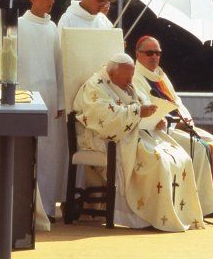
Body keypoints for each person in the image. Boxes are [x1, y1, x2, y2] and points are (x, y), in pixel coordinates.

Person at [73, 53, 204, 231]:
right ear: (112, 74)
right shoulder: (94, 87)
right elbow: (104, 118)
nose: (129, 82)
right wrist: (138, 113)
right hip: (105, 138)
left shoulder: (125, 82)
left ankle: (171, 214)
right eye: (126, 78)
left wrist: (156, 119)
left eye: (131, 78)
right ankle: (148, 216)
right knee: (158, 160)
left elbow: (143, 105)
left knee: (180, 156)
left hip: (136, 134)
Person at [132, 36, 213, 215]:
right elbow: (147, 105)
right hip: (162, 129)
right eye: (149, 53)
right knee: (199, 149)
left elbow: (177, 101)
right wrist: (175, 121)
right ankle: (204, 207)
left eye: (158, 53)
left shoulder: (160, 75)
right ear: (138, 54)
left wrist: (186, 119)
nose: (154, 57)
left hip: (181, 124)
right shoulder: (136, 76)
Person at [12, 0, 67, 222]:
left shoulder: (52, 27)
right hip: (24, 97)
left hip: (50, 98)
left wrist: (61, 101)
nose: (51, 1)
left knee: (47, 156)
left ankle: (46, 207)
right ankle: (22, 207)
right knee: (24, 154)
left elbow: (59, 66)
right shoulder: (16, 25)